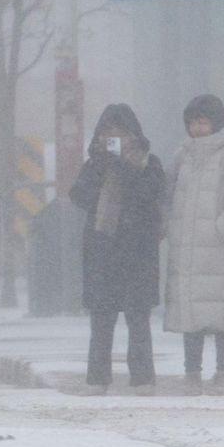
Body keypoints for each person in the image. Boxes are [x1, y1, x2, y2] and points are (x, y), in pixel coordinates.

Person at [164, 94, 224, 395]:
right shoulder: (182, 156)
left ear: (215, 123)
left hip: (220, 251)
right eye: (192, 122)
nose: (197, 128)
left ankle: (222, 374)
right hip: (188, 250)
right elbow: (166, 194)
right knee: (191, 315)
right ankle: (191, 374)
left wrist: (219, 231)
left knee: (222, 317)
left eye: (203, 122)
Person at [70, 104, 166, 395]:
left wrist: (125, 168)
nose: (113, 136)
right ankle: (97, 379)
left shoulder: (149, 163)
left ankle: (143, 379)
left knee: (138, 319)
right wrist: (102, 167)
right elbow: (79, 196)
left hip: (138, 252)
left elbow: (150, 195)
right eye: (107, 131)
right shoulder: (94, 164)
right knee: (101, 320)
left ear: (133, 134)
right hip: (103, 252)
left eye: (120, 131)